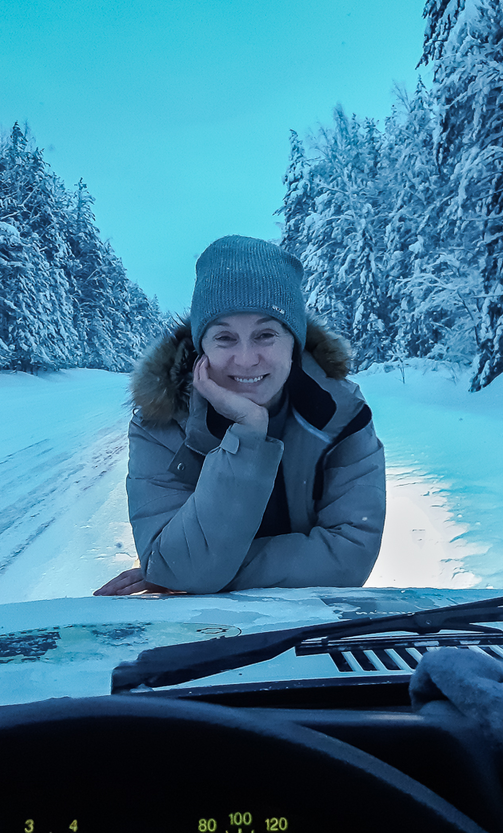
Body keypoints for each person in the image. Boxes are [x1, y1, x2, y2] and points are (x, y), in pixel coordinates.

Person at [94, 235, 386, 595]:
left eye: (265, 334)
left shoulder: (341, 416)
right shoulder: (161, 424)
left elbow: (350, 557)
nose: (246, 359)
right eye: (224, 338)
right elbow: (175, 567)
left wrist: (203, 574)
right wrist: (247, 438)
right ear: (201, 346)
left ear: (293, 341)